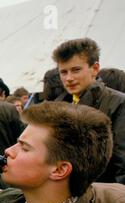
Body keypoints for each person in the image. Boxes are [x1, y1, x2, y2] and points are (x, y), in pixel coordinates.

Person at [53, 38, 125, 184]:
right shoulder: (60, 105)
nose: (69, 78)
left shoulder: (118, 102)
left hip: (104, 195)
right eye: (63, 72)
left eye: (76, 70)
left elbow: (122, 162)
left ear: (95, 68)